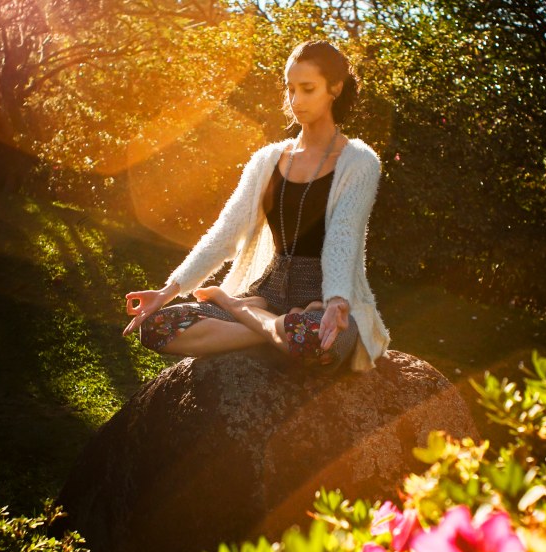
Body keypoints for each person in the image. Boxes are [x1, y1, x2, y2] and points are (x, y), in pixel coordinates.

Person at [123, 40, 390, 373]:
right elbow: (224, 233)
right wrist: (167, 291)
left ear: (335, 87)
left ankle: (235, 307)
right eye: (290, 89)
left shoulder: (360, 162)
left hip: (324, 298)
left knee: (314, 342)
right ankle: (267, 324)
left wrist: (336, 299)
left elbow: (343, 236)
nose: (296, 101)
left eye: (308, 89)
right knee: (157, 327)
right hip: (268, 290)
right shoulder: (267, 160)